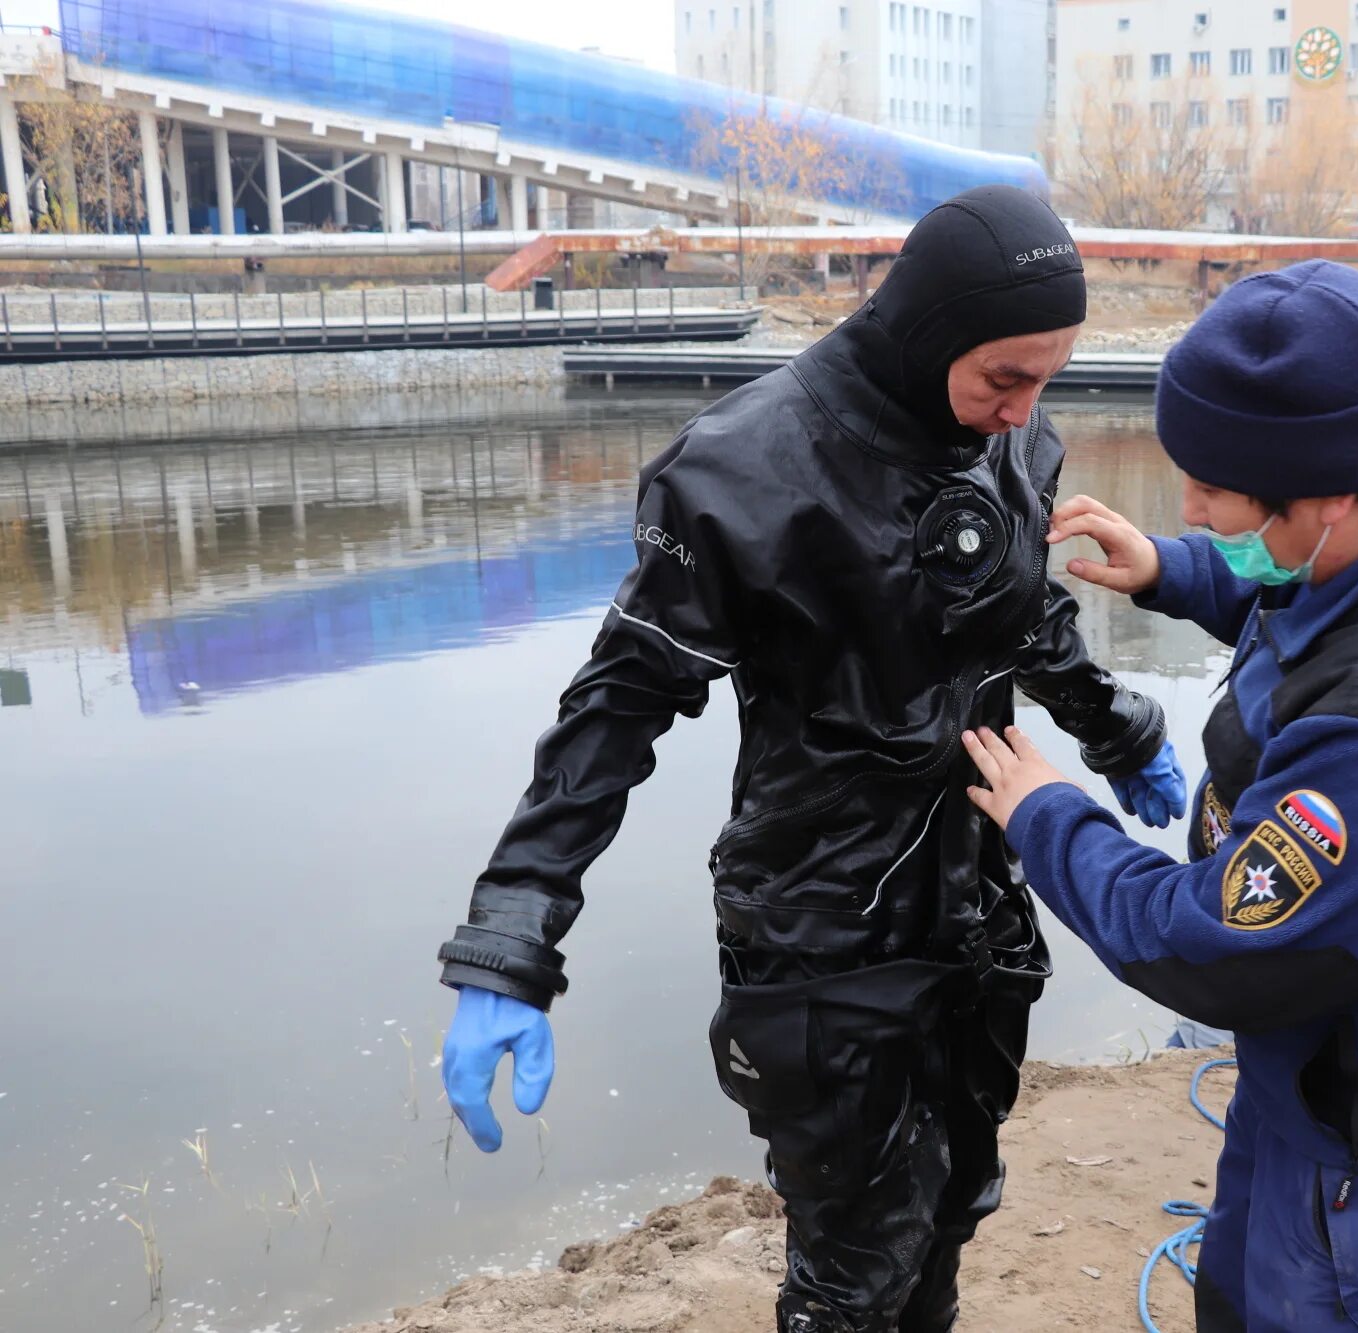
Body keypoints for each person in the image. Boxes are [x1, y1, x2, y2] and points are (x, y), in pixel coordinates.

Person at [433, 185, 1186, 1333]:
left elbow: (1020, 617)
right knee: (852, 1265)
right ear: (935, 335)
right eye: (1005, 378)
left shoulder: (1010, 437)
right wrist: (511, 935)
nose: (1027, 410)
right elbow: (615, 709)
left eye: (1047, 378)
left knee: (953, 1204)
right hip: (820, 924)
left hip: (976, 897)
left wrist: (1113, 725)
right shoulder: (743, 473)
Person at [958, 260, 1358, 1332]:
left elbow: (1215, 948)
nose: (1191, 505)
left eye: (1213, 492)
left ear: (1328, 499)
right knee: (1238, 1297)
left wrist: (1047, 817)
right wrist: (1174, 567)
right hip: (1316, 1064)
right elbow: (1297, 594)